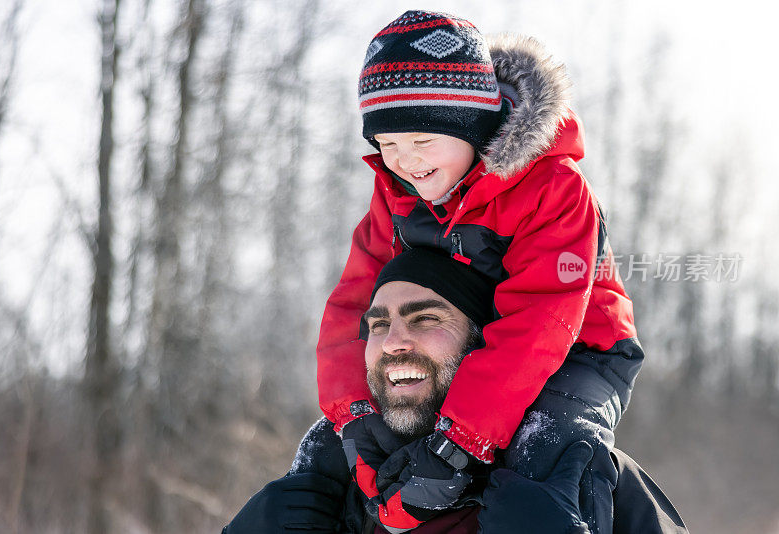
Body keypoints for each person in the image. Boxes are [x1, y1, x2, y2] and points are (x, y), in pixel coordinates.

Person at [317, 10, 644, 534]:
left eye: (423, 142)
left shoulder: (552, 188)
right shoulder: (398, 189)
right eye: (388, 144)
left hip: (580, 351)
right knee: (337, 446)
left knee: (543, 456)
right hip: (470, 340)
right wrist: (352, 412)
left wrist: (461, 441)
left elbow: (540, 322)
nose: (404, 161)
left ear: (473, 126)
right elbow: (354, 302)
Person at [224, 249, 686, 533]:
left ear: (486, 344)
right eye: (378, 324)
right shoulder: (334, 483)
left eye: (426, 319)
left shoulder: (578, 473)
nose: (392, 342)